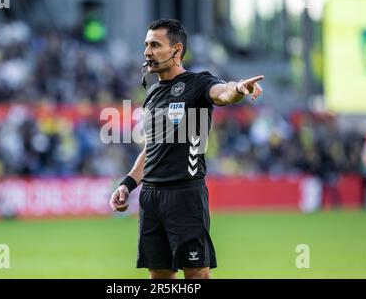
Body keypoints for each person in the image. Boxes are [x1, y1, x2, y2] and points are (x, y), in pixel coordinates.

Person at [109, 19, 264, 279]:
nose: (147, 51)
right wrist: (127, 184)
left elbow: (222, 93)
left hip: (185, 194)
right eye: (146, 45)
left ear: (176, 50)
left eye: (155, 45)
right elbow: (152, 147)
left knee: (197, 276)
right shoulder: (153, 92)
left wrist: (238, 88)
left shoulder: (197, 82)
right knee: (159, 277)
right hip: (150, 197)